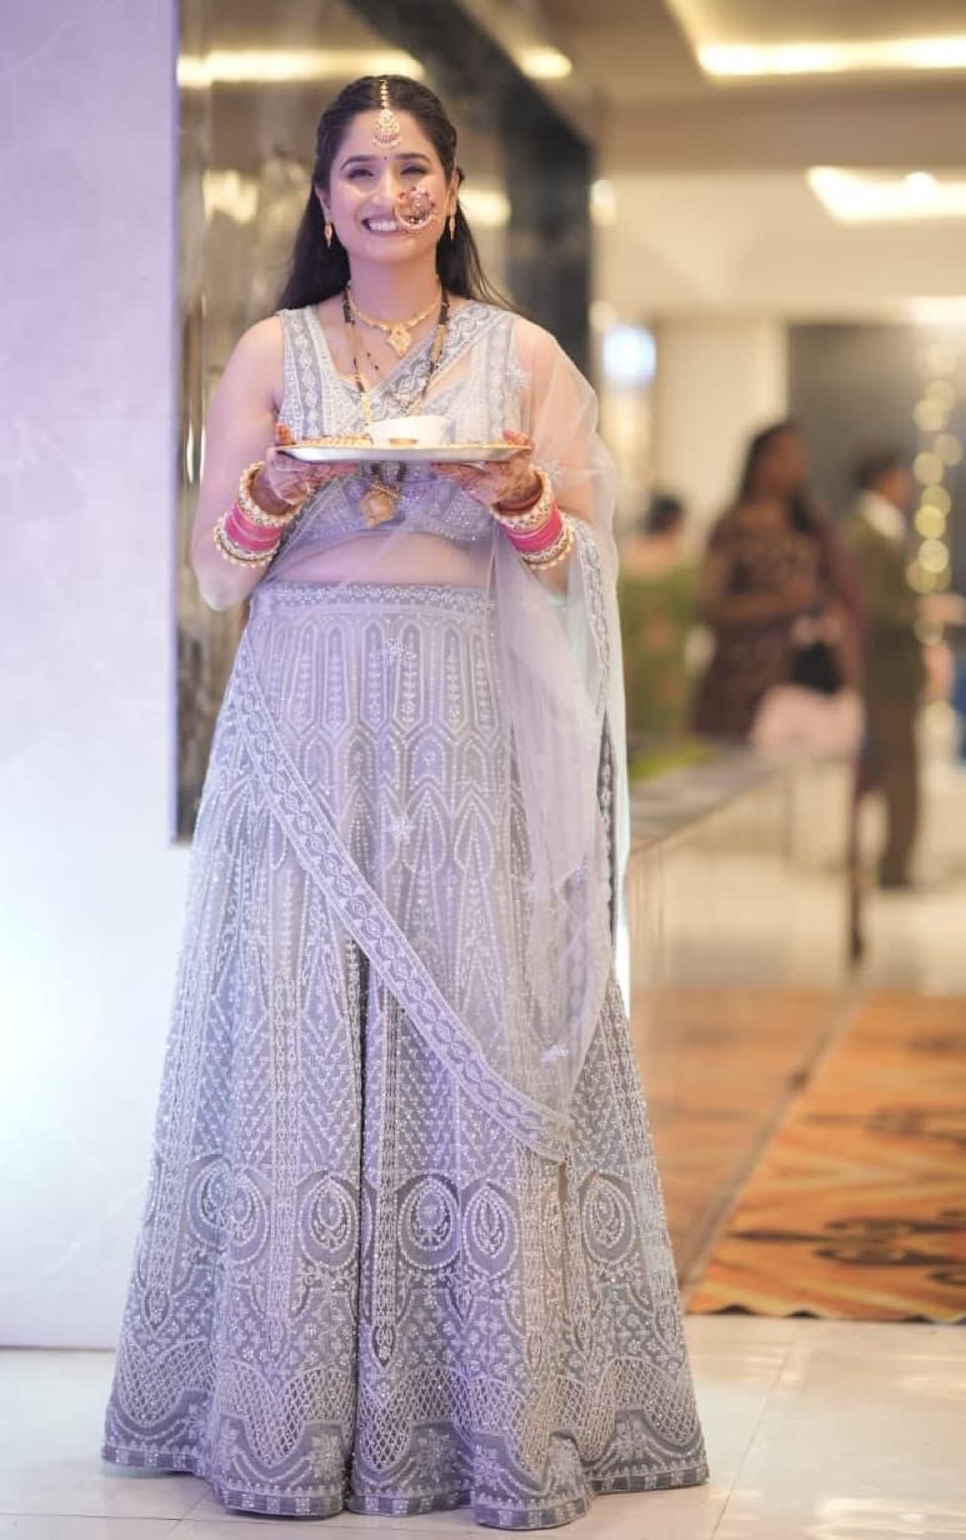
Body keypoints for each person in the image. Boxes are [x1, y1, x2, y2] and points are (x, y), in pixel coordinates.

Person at [99, 76, 707, 1525]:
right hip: (302, 712)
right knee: (297, 1029)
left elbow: (573, 566)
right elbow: (213, 574)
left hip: (459, 720)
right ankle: (280, 1415)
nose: (388, 195)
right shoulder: (272, 349)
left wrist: (512, 495)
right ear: (323, 201)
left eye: (413, 168)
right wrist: (269, 485)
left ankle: (490, 1419)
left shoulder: (521, 357)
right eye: (360, 172)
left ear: (452, 189)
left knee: (474, 1022)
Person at [693, 421, 862, 749]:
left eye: (799, 457)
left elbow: (838, 595)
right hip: (741, 684)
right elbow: (709, 606)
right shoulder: (733, 527)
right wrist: (779, 602)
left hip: (804, 679)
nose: (793, 466)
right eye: (783, 456)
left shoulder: (811, 526)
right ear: (759, 462)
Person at [844, 450, 926, 888]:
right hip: (884, 672)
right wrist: (921, 610)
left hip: (889, 672)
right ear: (883, 479)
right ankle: (894, 866)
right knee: (897, 768)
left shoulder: (876, 530)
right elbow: (873, 608)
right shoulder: (867, 533)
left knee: (888, 768)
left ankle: (892, 861)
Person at [618, 494, 699, 743]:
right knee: (664, 730)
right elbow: (694, 608)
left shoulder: (626, 557)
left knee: (633, 727)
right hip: (667, 660)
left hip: (630, 658)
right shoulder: (681, 562)